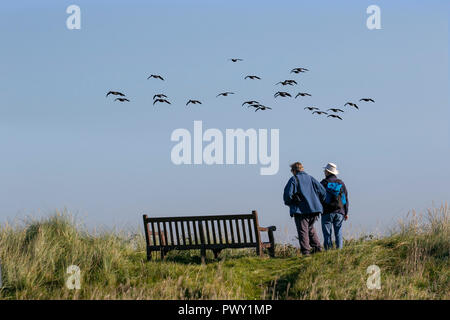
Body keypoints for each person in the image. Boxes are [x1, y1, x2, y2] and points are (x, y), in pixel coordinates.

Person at [283, 162, 327, 256]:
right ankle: (317, 248)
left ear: (294, 170)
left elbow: (287, 195)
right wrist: (316, 201)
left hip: (301, 210)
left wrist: (292, 203)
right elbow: (323, 192)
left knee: (303, 230)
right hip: (314, 209)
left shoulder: (294, 179)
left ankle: (306, 252)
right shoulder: (311, 178)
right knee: (310, 228)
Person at [320, 163, 349, 250]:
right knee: (338, 232)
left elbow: (319, 197)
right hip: (340, 211)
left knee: (327, 233)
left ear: (327, 172)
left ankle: (328, 251)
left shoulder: (323, 183)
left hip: (327, 211)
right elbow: (345, 199)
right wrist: (346, 212)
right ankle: (339, 251)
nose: (324, 172)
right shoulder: (341, 183)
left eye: (325, 171)